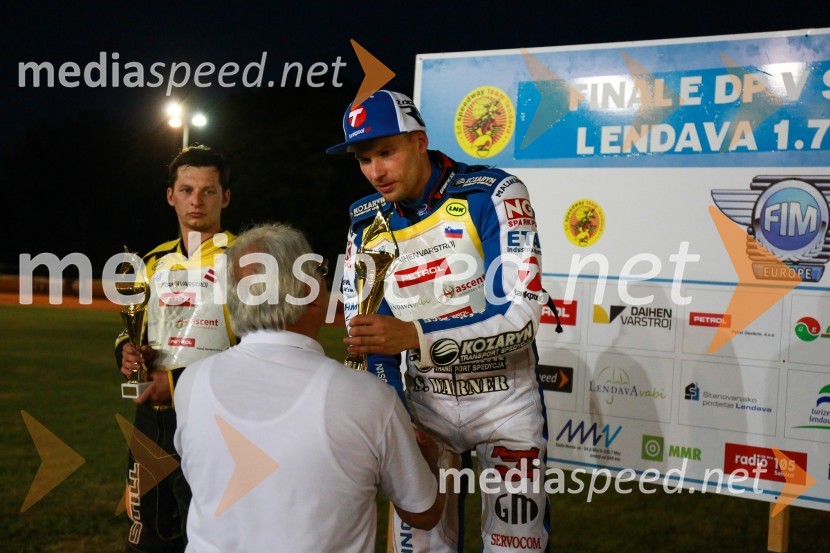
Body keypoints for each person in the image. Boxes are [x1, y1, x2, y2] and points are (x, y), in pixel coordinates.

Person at [327, 90, 551, 552]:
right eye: (364, 159)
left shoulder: (495, 192)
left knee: (516, 546)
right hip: (423, 410)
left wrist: (415, 336)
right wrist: (399, 420)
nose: (376, 172)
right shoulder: (363, 222)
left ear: (420, 141)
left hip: (504, 404)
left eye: (386, 152)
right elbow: (366, 337)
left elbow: (522, 316)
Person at [173, 223, 444, 552]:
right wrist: (431, 458)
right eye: (319, 271)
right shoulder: (367, 397)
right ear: (310, 293)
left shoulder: (191, 383)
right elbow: (424, 512)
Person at [115, 145, 236, 553]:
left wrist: (178, 382)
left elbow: (259, 353)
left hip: (216, 421)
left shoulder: (247, 261)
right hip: (151, 418)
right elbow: (132, 331)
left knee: (207, 535)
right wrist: (127, 353)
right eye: (186, 190)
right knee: (147, 533)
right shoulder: (153, 261)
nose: (196, 201)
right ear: (171, 195)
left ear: (226, 197)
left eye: (208, 191)